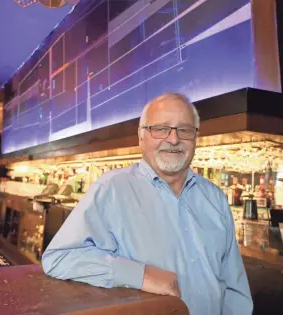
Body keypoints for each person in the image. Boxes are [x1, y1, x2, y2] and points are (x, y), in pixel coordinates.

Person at [42, 93, 253, 315]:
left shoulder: (216, 199)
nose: (173, 139)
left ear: (195, 138)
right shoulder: (112, 189)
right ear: (141, 137)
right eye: (160, 129)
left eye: (184, 129)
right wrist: (140, 275)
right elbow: (59, 258)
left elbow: (235, 289)